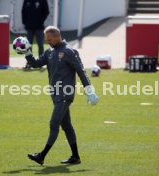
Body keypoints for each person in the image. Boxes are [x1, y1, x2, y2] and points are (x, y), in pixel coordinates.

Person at [22, 26, 99, 165]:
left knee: (53, 124)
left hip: (65, 94)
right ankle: (75, 157)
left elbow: (81, 71)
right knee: (67, 126)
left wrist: (90, 91)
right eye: (46, 40)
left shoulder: (69, 51)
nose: (48, 42)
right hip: (55, 95)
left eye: (49, 39)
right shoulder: (50, 52)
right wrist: (27, 52)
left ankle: (42, 155)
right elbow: (35, 64)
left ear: (58, 36)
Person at [22, 0, 49, 69]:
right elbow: (23, 11)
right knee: (28, 45)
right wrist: (25, 22)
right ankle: (29, 63)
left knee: (40, 44)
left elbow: (46, 11)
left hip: (39, 27)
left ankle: (41, 63)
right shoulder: (26, 1)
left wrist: (41, 21)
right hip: (29, 27)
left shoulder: (43, 1)